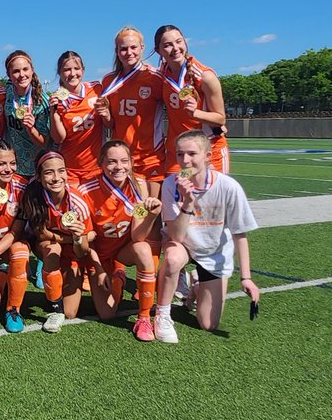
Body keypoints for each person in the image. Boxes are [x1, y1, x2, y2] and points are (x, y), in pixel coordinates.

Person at [154, 130, 259, 344]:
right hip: (183, 244)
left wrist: (246, 278)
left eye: (192, 154)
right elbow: (176, 234)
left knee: (208, 324)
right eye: (180, 154)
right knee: (173, 259)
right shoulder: (170, 184)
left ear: (208, 157)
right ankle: (162, 315)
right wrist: (188, 203)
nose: (185, 160)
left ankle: (196, 285)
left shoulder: (228, 187)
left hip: (214, 252)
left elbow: (240, 234)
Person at [82, 141, 163, 341]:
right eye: (111, 162)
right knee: (107, 313)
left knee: (143, 248)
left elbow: (137, 236)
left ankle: (144, 318)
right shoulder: (86, 190)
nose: (119, 167)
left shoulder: (140, 186)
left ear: (131, 162)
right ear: (100, 163)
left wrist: (152, 216)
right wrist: (99, 270)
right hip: (99, 255)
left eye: (124, 161)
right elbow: (87, 241)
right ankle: (117, 276)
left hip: (123, 250)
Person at [14, 151, 99, 333]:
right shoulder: (33, 197)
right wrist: (70, 239)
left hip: (74, 253)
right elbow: (42, 234)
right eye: (49, 172)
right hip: (47, 248)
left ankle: (61, 284)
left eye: (61, 171)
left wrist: (77, 238)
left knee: (71, 312)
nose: (56, 178)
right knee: (52, 248)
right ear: (38, 176)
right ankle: (55, 309)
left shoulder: (78, 202)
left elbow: (82, 249)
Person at [100, 27, 167, 195]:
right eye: (123, 48)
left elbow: (176, 107)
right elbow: (111, 125)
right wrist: (107, 116)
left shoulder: (155, 77)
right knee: (128, 214)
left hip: (150, 157)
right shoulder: (109, 81)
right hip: (120, 161)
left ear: (142, 48)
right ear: (116, 51)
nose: (129, 52)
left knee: (153, 213)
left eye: (133, 47)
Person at [155, 25, 230, 174]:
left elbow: (220, 118)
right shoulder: (161, 75)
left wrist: (196, 113)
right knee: (179, 194)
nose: (175, 48)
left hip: (207, 152)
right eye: (167, 45)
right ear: (159, 51)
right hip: (178, 154)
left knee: (210, 196)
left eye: (179, 42)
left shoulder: (205, 76)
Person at [49, 50, 109, 185]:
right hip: (70, 168)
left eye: (76, 68)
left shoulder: (96, 89)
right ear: (59, 72)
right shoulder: (58, 99)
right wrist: (54, 113)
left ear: (83, 70)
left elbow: (109, 124)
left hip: (96, 166)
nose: (72, 73)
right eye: (67, 69)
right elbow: (59, 138)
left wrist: (106, 115)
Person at [2, 50, 51, 178]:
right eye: (16, 71)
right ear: (8, 74)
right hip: (12, 168)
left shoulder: (41, 101)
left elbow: (44, 143)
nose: (21, 75)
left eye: (25, 69)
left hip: (35, 170)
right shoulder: (7, 90)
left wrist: (31, 128)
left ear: (32, 70)